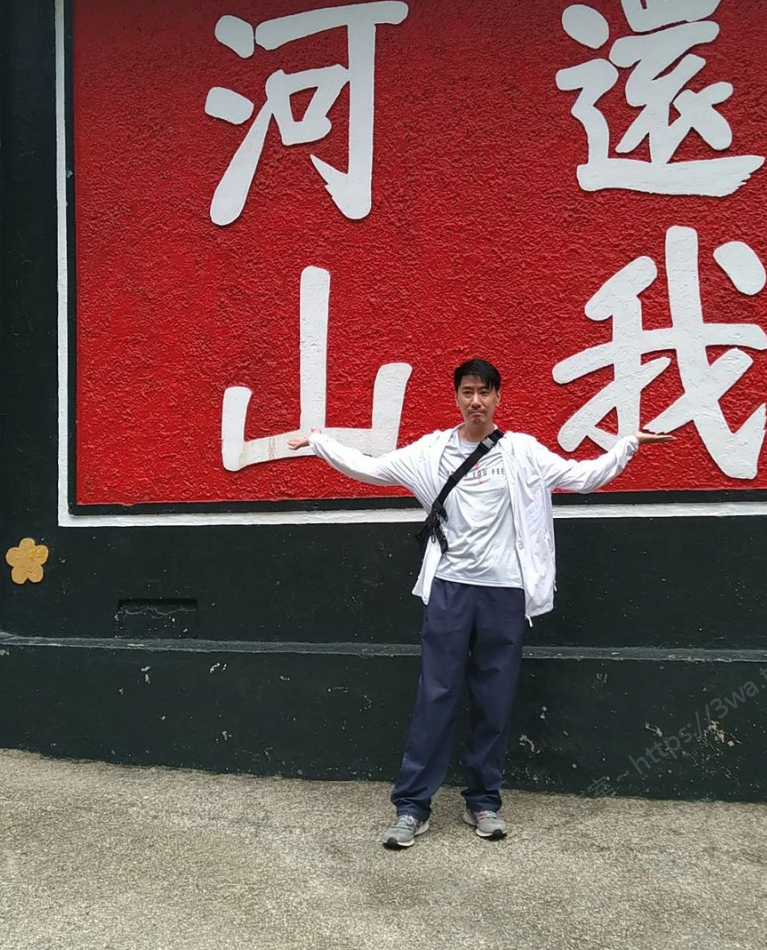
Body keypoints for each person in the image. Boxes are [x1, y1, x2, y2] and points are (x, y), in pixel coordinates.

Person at [288, 360, 672, 849]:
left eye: (485, 392)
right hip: (450, 588)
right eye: (468, 391)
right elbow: (371, 468)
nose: (476, 401)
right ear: (456, 397)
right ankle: (412, 807)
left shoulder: (522, 452)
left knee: (495, 699)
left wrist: (627, 445)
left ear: (498, 398)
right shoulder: (431, 453)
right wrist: (320, 443)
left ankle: (484, 801)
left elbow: (582, 476)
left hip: (505, 592)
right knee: (436, 695)